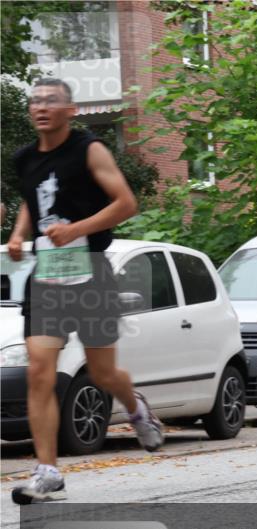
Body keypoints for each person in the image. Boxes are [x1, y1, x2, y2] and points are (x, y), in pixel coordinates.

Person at [8, 78, 163, 504]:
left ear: (71, 110)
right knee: (39, 371)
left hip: (91, 272)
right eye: (35, 101)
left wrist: (75, 228)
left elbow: (126, 204)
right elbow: (31, 201)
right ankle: (47, 471)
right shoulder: (24, 159)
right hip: (47, 278)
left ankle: (135, 409)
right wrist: (19, 234)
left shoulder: (88, 149)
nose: (41, 107)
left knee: (101, 373)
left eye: (51, 101)